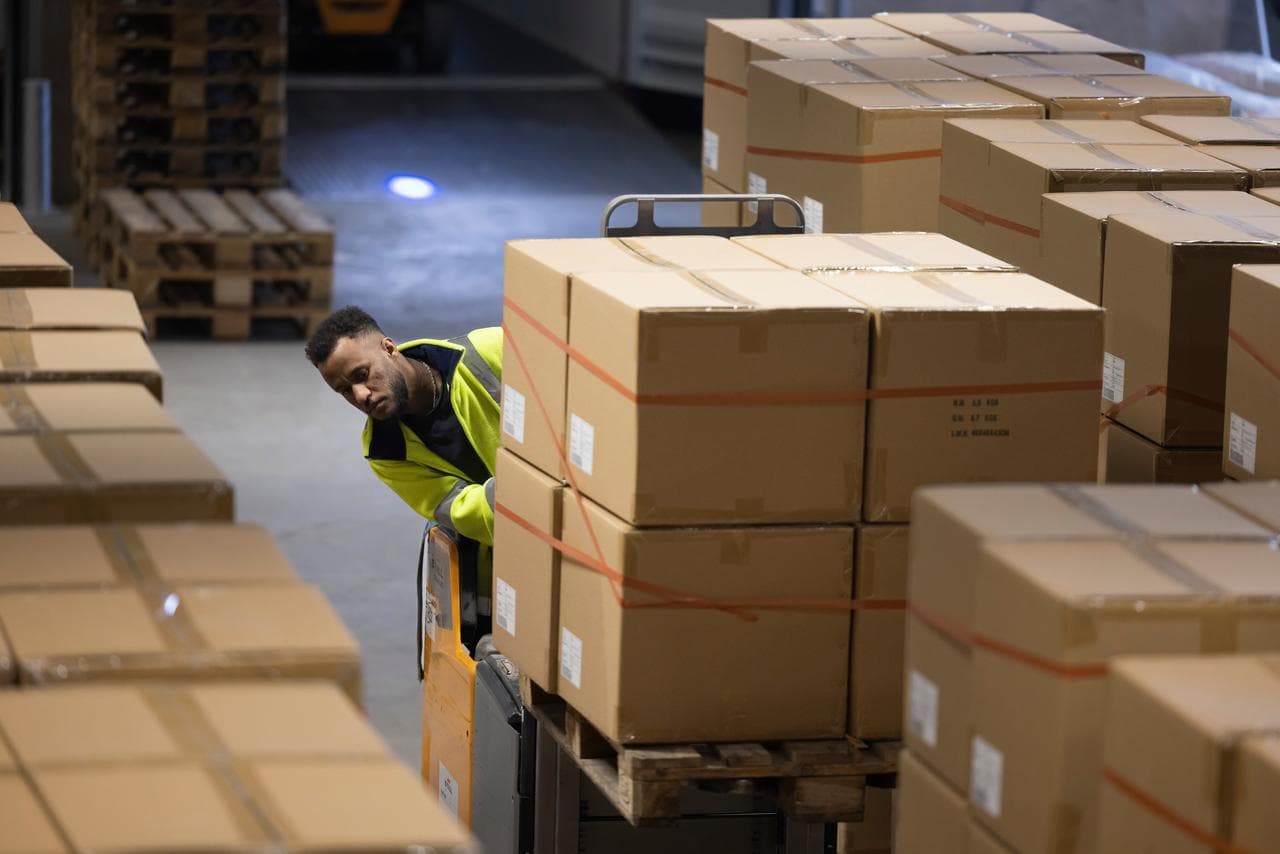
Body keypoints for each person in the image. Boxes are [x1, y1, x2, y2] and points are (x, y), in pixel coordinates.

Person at [305, 305, 502, 662]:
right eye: (344, 391)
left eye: (362, 374)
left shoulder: (486, 354)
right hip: (510, 568)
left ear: (389, 348)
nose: (361, 395)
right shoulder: (385, 452)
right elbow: (462, 513)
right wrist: (528, 488)